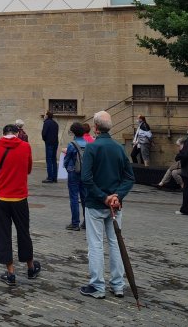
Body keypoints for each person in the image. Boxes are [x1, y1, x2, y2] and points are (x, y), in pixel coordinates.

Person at [79, 111, 134, 298]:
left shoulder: (92, 148)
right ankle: (118, 285)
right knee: (115, 243)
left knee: (95, 245)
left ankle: (97, 286)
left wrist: (104, 197)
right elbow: (129, 177)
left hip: (96, 203)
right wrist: (117, 196)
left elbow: (86, 178)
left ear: (95, 127)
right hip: (115, 204)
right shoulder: (118, 148)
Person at [0, 124, 41, 286]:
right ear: (18, 133)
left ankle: (10, 272)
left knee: (3, 233)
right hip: (19, 197)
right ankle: (31, 267)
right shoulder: (25, 147)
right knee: (23, 232)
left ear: (3, 133)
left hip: (1, 197)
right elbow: (29, 169)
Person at [63, 122, 88, 231]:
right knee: (85, 198)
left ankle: (75, 223)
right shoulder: (88, 144)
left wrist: (65, 165)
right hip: (85, 173)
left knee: (74, 197)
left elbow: (67, 159)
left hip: (73, 172)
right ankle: (86, 222)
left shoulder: (72, 144)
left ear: (73, 132)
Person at [41, 111, 59, 183]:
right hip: (55, 142)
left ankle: (50, 177)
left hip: (49, 142)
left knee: (49, 160)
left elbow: (44, 133)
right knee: (54, 160)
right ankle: (54, 177)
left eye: (45, 115)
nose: (44, 116)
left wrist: (45, 139)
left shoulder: (46, 122)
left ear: (47, 116)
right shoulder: (55, 123)